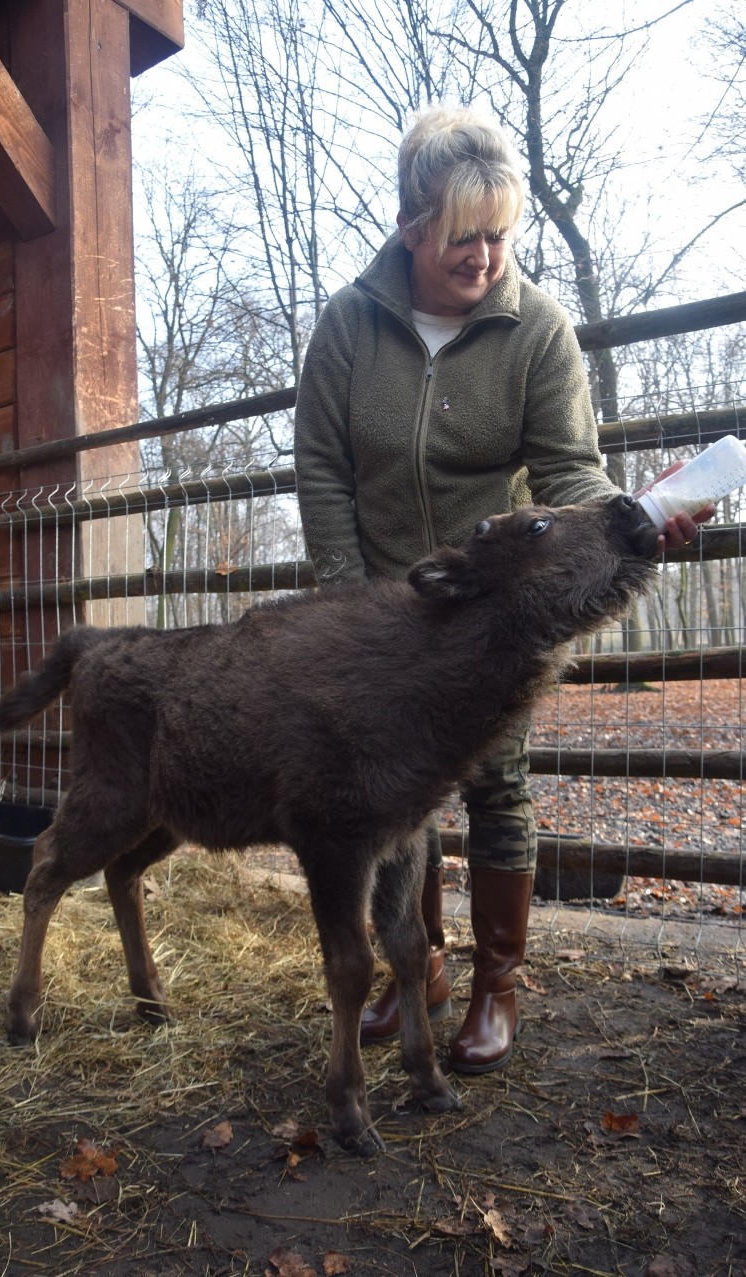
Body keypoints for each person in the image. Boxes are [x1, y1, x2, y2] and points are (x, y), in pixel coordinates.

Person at [293, 105, 710, 1075]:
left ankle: (497, 982)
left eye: (498, 235)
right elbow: (321, 466)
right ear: (411, 227)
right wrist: (348, 600)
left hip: (496, 612)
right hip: (388, 614)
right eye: (460, 236)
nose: (484, 256)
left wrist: (632, 522)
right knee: (397, 799)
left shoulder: (537, 329)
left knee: (497, 787)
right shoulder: (351, 324)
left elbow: (569, 469)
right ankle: (419, 969)